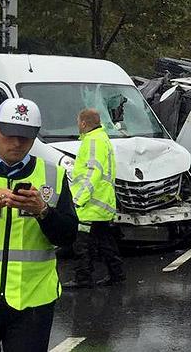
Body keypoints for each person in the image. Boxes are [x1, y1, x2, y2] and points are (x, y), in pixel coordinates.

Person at [0, 98, 78, 352]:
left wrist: (43, 212)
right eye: (10, 134)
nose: (18, 143)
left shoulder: (53, 175)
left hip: (32, 302)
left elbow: (68, 236)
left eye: (26, 136)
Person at [63, 108, 125, 289]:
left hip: (90, 205)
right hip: (102, 203)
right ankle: (117, 275)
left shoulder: (92, 141)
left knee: (81, 244)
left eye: (78, 122)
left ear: (83, 123)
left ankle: (83, 278)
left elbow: (92, 173)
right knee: (105, 242)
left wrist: (78, 199)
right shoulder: (102, 138)